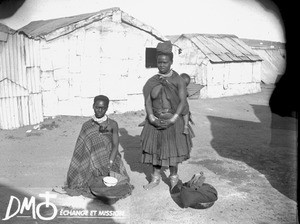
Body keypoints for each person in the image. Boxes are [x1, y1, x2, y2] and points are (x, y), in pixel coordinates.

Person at [141, 41, 193, 190]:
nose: (162, 65)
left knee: (173, 153)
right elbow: (148, 101)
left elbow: (182, 102)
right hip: (155, 121)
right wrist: (151, 117)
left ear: (171, 62)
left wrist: (174, 119)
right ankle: (155, 179)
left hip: (173, 120)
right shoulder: (152, 81)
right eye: (159, 62)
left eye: (165, 62)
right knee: (155, 151)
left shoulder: (178, 80)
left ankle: (173, 180)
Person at [65, 95, 131, 196]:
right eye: (97, 107)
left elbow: (115, 145)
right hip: (91, 162)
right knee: (87, 183)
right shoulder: (87, 126)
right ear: (93, 106)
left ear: (107, 108)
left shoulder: (112, 124)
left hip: (110, 159)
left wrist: (110, 162)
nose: (99, 110)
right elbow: (81, 149)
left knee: (119, 183)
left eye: (103, 108)